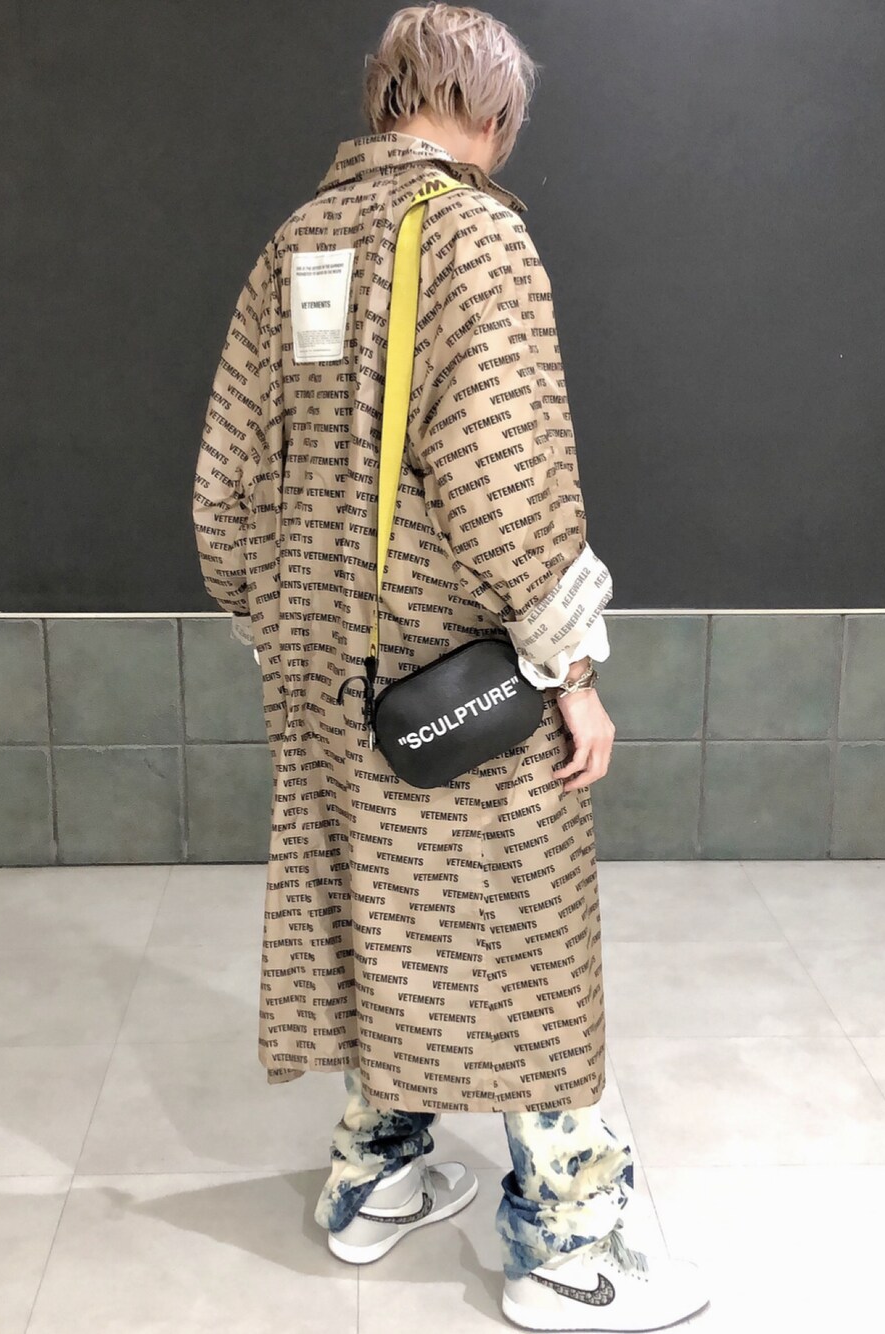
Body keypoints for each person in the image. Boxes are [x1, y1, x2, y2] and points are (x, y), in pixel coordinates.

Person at [193, 4, 707, 1328]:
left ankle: (374, 1180)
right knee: (523, 938)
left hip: (325, 675)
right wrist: (571, 666)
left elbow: (224, 487)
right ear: (490, 108)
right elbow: (504, 478)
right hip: (459, 678)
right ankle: (570, 1245)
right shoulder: (476, 237)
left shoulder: (295, 243)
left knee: (378, 913)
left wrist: (282, 625)